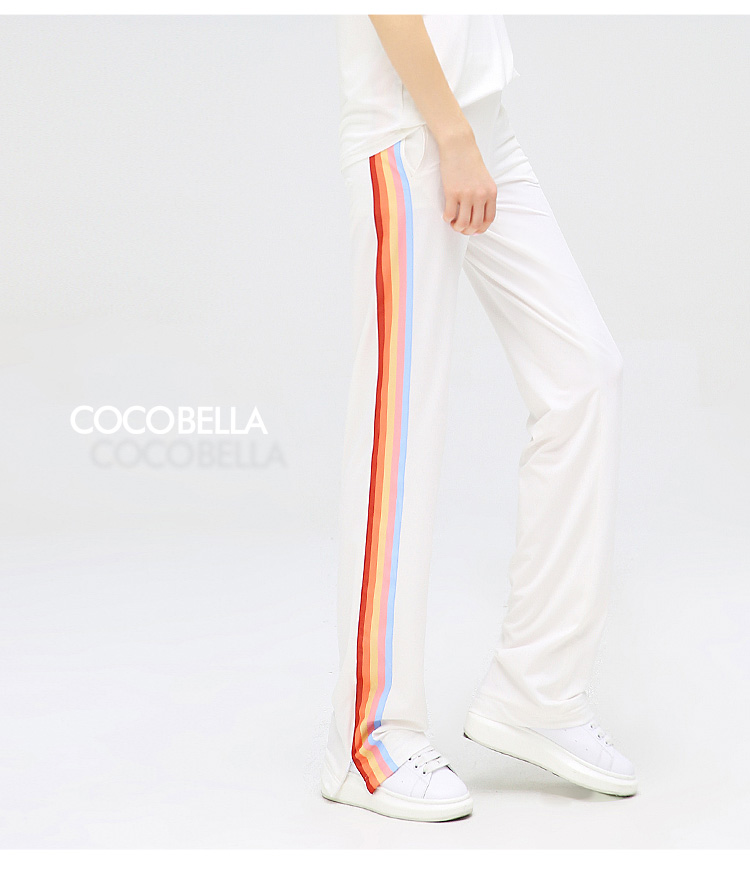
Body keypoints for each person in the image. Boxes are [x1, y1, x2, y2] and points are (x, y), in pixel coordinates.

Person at [320, 14, 637, 823]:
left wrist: (470, 134)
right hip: (411, 132)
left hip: (482, 126)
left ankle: (538, 691)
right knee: (400, 432)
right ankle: (369, 736)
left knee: (584, 375)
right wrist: (451, 135)